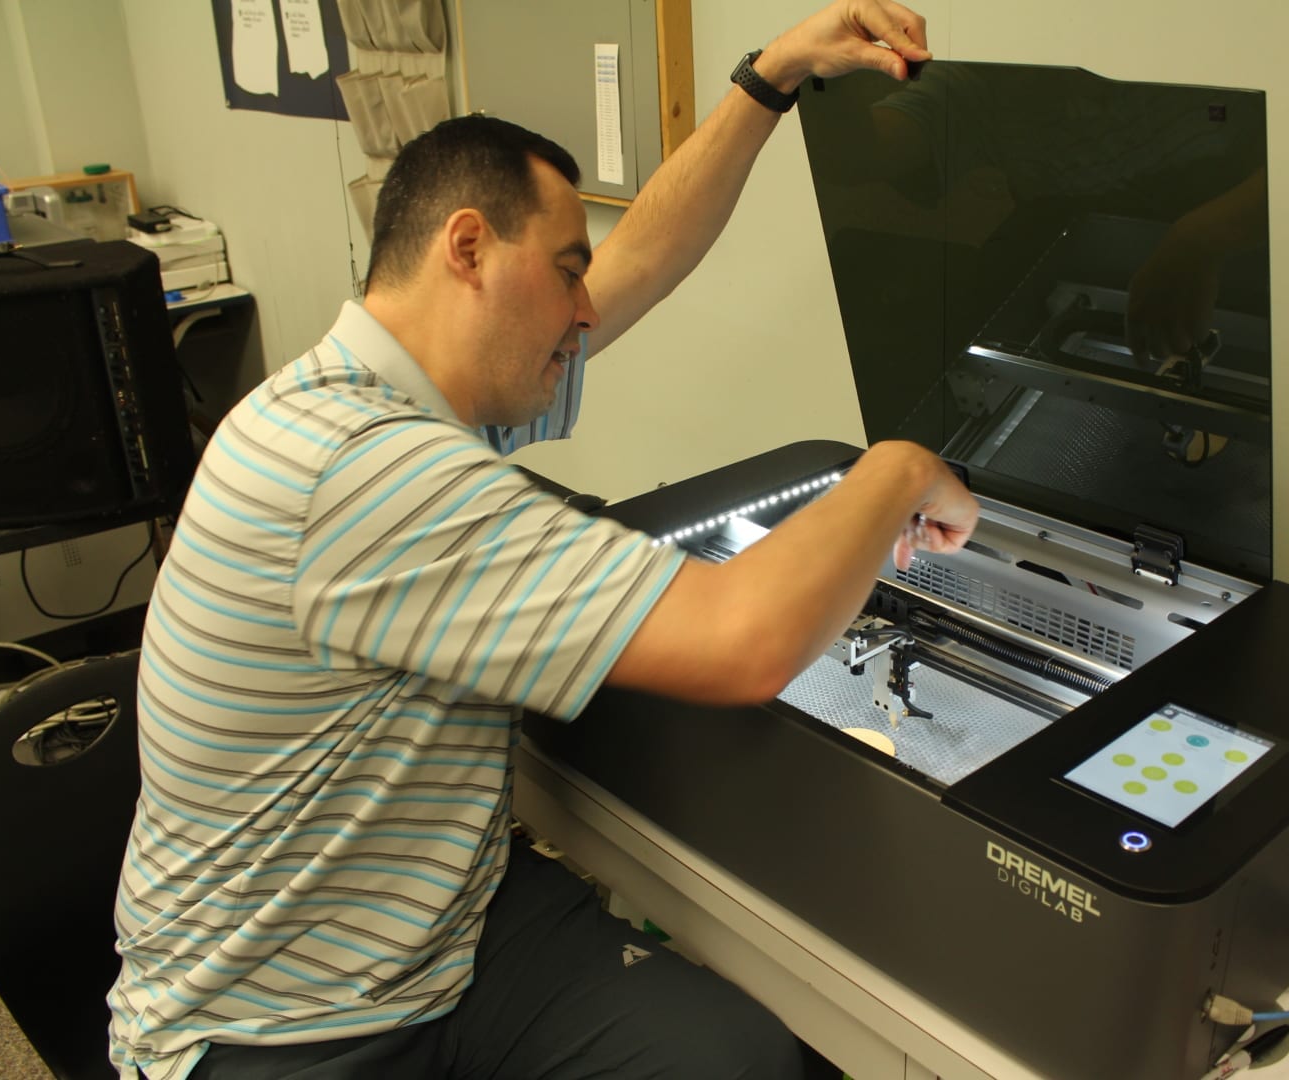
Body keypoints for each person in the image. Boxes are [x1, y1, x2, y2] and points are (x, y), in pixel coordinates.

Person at [107, 3, 975, 1078]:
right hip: (283, 1026)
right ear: (468, 248)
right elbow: (747, 639)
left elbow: (642, 260)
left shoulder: (378, 396)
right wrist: (894, 468)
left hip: (440, 935)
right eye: (566, 269)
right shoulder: (367, 470)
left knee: (735, 1056)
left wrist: (771, 80)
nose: (583, 308)